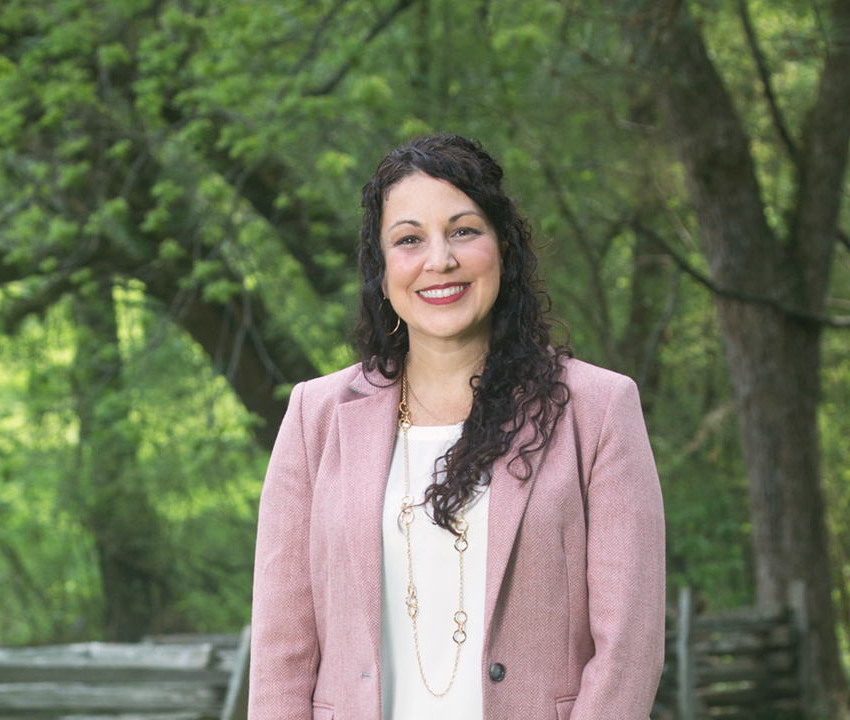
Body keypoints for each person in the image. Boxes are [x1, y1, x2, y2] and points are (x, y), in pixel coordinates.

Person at [248, 134, 665, 720]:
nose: (438, 259)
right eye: (410, 239)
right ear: (382, 267)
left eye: (464, 231)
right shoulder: (314, 418)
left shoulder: (598, 410)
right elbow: (280, 654)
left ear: (503, 247)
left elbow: (629, 649)